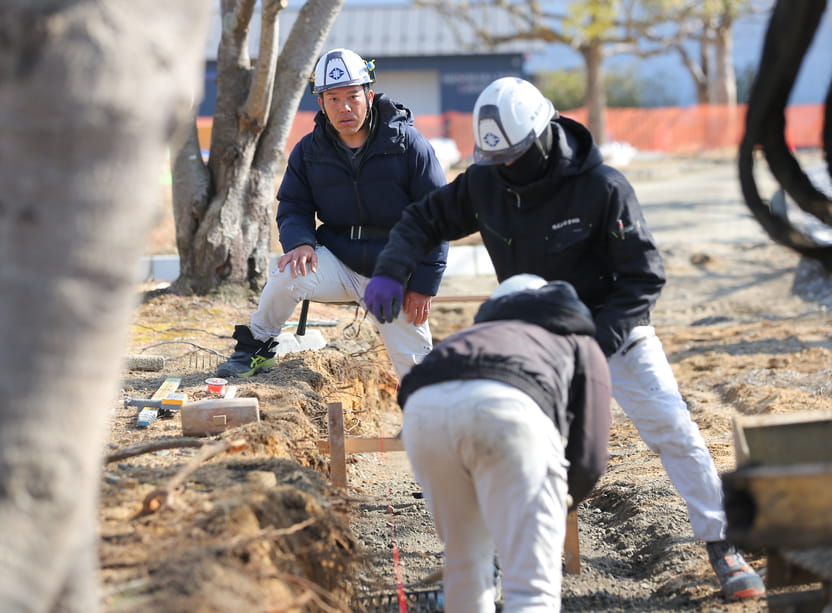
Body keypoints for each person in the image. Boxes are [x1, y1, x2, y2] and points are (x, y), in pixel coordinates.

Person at [363, 77, 766, 600]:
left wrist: (596, 343)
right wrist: (394, 268)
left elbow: (643, 279)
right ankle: (496, 560)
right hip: (530, 341)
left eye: (514, 155)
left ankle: (722, 543)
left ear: (543, 133)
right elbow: (424, 219)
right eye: (496, 158)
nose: (506, 166)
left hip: (609, 332)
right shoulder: (486, 181)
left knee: (672, 426)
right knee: (513, 442)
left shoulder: (602, 187)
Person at [216, 48, 449, 380]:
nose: (345, 107)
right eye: (333, 99)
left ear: (368, 95)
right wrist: (299, 243)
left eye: (352, 96)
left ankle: (427, 423)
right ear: (321, 104)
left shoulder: (409, 144)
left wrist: (425, 284)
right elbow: (293, 206)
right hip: (338, 260)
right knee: (286, 275)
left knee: (418, 375)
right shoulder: (308, 151)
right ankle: (257, 348)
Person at [398, 274, 612, 612]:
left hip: (423, 413)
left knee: (465, 565)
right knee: (531, 586)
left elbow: (411, 384)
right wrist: (558, 502)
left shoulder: (472, 333)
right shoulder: (577, 339)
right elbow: (590, 452)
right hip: (509, 411)